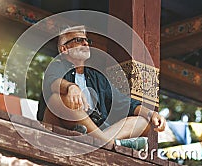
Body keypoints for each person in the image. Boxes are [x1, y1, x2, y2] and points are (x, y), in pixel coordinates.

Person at [37, 25, 166, 150]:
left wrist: (151, 113)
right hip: (59, 128)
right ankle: (106, 143)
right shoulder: (57, 65)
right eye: (79, 40)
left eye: (87, 40)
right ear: (64, 49)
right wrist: (70, 87)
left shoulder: (97, 77)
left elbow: (126, 103)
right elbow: (52, 82)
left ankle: (101, 142)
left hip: (91, 133)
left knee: (145, 122)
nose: (85, 43)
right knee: (58, 98)